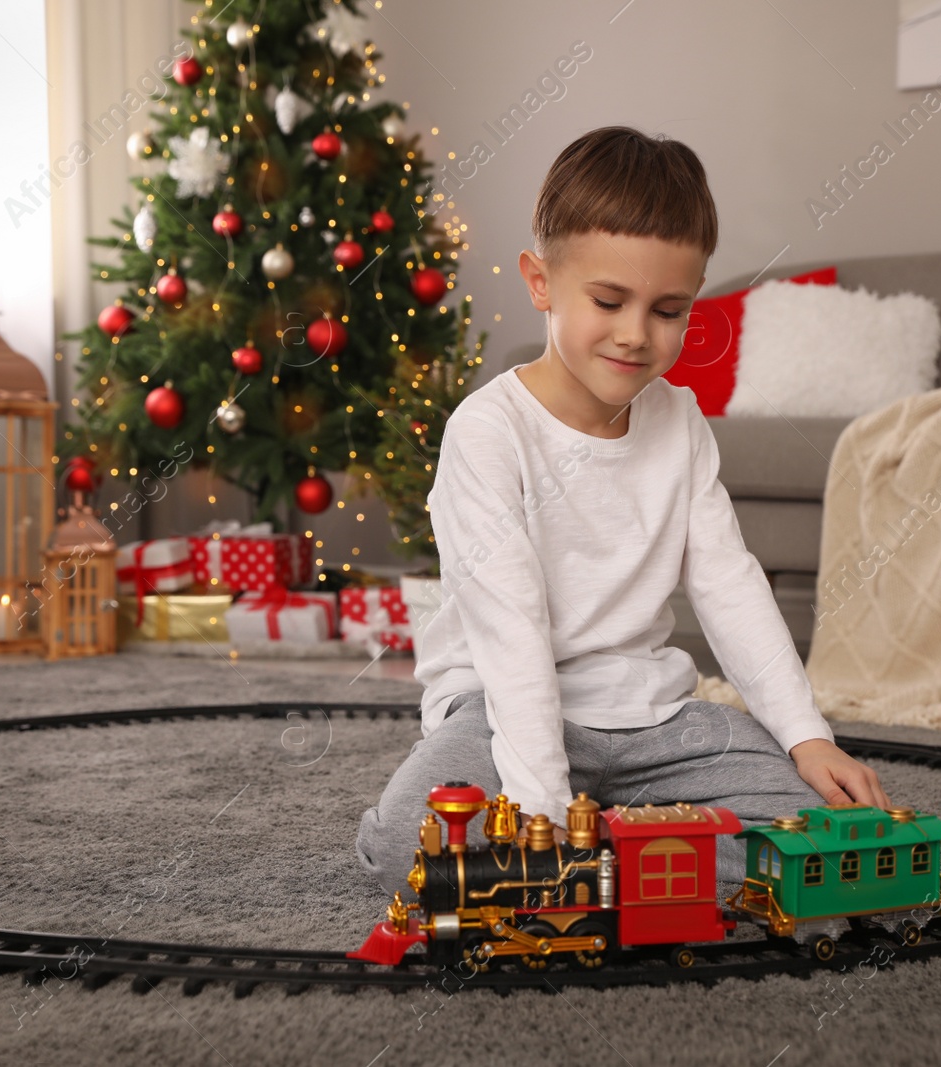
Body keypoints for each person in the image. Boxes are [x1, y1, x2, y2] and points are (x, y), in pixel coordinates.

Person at [356, 125, 889, 891]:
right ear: (541, 282)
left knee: (816, 843)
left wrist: (807, 739)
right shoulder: (485, 432)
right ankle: (626, 852)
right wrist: (541, 814)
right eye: (609, 300)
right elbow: (510, 633)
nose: (637, 334)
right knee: (406, 851)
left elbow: (729, 586)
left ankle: (612, 854)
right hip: (503, 712)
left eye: (669, 310)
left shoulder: (680, 422)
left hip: (654, 720)